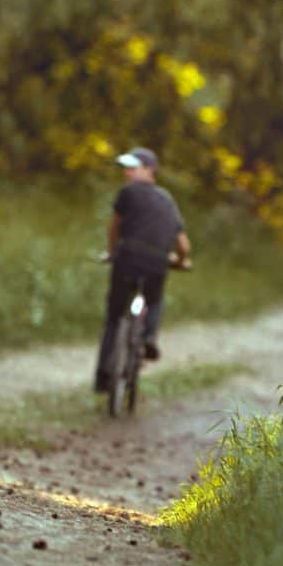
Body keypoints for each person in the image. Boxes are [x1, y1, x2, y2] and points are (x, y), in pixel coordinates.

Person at [95, 146, 191, 392]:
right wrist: (181, 261)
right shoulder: (168, 200)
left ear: (149, 170)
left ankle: (104, 376)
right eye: (125, 168)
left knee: (115, 316)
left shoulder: (128, 192)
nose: (127, 173)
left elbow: (114, 227)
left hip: (126, 257)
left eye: (132, 167)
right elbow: (182, 244)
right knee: (155, 299)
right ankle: (148, 337)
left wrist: (111, 251)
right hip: (158, 261)